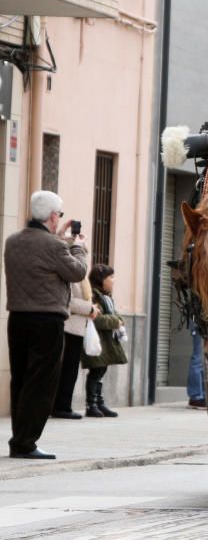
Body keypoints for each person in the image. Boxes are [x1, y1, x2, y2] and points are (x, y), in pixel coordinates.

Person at [5, 190, 88, 459]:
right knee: (41, 383)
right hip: (47, 320)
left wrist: (58, 239)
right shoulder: (55, 247)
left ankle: (19, 437)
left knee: (21, 379)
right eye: (59, 215)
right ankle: (25, 442)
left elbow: (40, 258)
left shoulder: (13, 241)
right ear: (53, 216)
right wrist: (77, 246)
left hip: (18, 318)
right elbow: (77, 271)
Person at [80, 264, 128, 418]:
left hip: (106, 340)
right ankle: (91, 404)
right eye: (111, 277)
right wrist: (116, 321)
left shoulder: (106, 297)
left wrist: (117, 319)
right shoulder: (94, 296)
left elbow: (116, 315)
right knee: (96, 371)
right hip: (97, 340)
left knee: (101, 370)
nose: (113, 281)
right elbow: (97, 319)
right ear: (102, 280)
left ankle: (99, 403)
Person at [51, 278, 98, 420]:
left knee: (71, 370)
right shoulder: (69, 275)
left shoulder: (80, 276)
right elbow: (67, 301)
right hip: (68, 326)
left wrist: (92, 309)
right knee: (65, 369)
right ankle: (60, 407)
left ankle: (63, 406)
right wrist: (90, 308)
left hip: (77, 328)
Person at [187, 328, 207, 408]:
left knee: (204, 359)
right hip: (200, 323)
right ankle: (196, 397)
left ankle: (203, 396)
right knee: (199, 358)